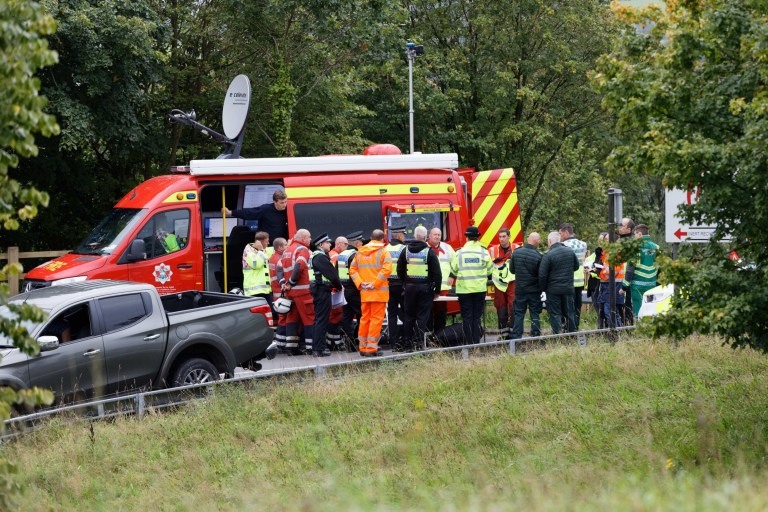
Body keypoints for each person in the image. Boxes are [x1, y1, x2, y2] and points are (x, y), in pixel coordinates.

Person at [397, 225, 442, 352]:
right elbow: (437, 273)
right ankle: (419, 343)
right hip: (425, 289)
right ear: (425, 237)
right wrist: (437, 290)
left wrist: (404, 283)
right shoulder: (429, 252)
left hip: (409, 288)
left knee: (409, 316)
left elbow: (399, 269)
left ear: (415, 236)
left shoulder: (405, 251)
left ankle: (407, 344)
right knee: (422, 317)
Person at [349, 229, 392, 357]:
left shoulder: (360, 252)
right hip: (378, 293)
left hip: (365, 293)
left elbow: (353, 270)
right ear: (382, 239)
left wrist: (361, 283)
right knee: (376, 320)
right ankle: (371, 349)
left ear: (370, 238)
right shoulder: (384, 252)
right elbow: (387, 270)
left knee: (364, 319)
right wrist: (375, 284)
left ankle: (362, 347)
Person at [451, 226, 493, 344]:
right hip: (479, 290)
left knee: (467, 318)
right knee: (476, 318)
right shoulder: (484, 252)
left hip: (464, 291)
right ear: (478, 237)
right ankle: (476, 343)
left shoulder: (459, 252)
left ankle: (469, 344)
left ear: (467, 238)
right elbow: (490, 270)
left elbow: (453, 270)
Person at [280, 228, 314, 354]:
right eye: (309, 237)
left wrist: (285, 284)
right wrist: (292, 282)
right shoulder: (302, 249)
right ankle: (311, 347)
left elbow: (280, 268)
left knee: (292, 318)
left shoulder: (287, 250)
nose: (310, 239)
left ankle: (291, 347)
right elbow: (300, 265)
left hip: (290, 293)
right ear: (304, 238)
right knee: (309, 318)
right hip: (303, 291)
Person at [309, 233, 343, 357]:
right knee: (322, 320)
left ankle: (317, 347)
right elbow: (332, 274)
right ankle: (319, 349)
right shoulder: (320, 257)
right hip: (322, 290)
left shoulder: (315, 256)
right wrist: (339, 286)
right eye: (328, 242)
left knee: (319, 319)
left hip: (319, 290)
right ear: (321, 244)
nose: (330, 244)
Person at [539, 231, 580, 334]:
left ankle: (557, 335)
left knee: (555, 313)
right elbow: (576, 266)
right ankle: (572, 333)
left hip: (553, 290)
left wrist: (543, 289)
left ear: (549, 241)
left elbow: (542, 275)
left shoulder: (548, 255)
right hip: (568, 288)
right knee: (570, 312)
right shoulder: (570, 251)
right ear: (559, 240)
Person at [509, 232, 543, 339]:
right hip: (534, 290)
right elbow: (541, 274)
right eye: (539, 240)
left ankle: (517, 336)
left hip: (520, 289)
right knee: (535, 313)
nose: (540, 242)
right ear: (536, 241)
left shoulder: (516, 252)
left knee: (519, 313)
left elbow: (512, 270)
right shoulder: (538, 256)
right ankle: (536, 335)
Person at [222, 189, 289, 242]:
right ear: (275, 201)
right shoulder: (265, 209)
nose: (284, 205)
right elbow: (249, 213)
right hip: (264, 243)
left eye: (286, 202)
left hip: (279, 244)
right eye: (282, 203)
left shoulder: (287, 210)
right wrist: (231, 213)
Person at [624, 224, 659, 318]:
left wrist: (624, 286)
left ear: (639, 234)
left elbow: (630, 269)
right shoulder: (656, 247)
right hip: (652, 284)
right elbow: (660, 266)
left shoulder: (634, 248)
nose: (634, 237)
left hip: (637, 285)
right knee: (650, 310)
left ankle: (640, 330)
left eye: (635, 234)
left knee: (639, 310)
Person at [488, 227, 517, 339]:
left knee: (513, 306)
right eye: (500, 237)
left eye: (504, 236)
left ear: (509, 237)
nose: (502, 239)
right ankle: (503, 334)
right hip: (499, 284)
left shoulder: (516, 248)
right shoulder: (492, 250)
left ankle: (514, 333)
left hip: (512, 282)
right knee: (501, 308)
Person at [337, 231, 364, 349]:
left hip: (344, 290)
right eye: (361, 242)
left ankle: (349, 343)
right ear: (357, 242)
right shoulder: (356, 255)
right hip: (355, 290)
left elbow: (336, 272)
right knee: (362, 315)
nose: (362, 244)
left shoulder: (342, 255)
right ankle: (359, 340)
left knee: (347, 317)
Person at [558, 223, 588, 329]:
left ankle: (569, 326)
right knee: (577, 305)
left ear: (566, 232)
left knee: (568, 306)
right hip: (580, 281)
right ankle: (576, 325)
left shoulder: (564, 246)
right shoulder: (583, 244)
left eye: (561, 233)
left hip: (568, 280)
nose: (560, 236)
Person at [427, 227, 455, 333]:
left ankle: (440, 335)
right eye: (435, 234)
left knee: (441, 312)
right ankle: (428, 336)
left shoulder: (447, 248)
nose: (437, 237)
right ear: (429, 236)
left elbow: (455, 263)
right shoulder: (425, 247)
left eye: (439, 235)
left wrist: (452, 275)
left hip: (443, 287)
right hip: (428, 287)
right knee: (428, 312)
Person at [385, 225, 407, 348]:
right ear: (399, 235)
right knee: (405, 312)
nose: (404, 237)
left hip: (388, 285)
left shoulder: (385, 249)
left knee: (391, 314)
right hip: (401, 285)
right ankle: (404, 338)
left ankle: (393, 341)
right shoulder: (404, 248)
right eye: (403, 234)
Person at [584, 233, 608, 326]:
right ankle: (601, 329)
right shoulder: (597, 252)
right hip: (594, 285)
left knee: (603, 311)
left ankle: (603, 329)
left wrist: (594, 271)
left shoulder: (607, 254)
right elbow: (590, 261)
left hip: (602, 284)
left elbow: (603, 269)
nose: (601, 242)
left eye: (603, 240)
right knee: (599, 311)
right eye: (600, 240)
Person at [242, 231, 272, 306]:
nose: (268, 243)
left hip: (264, 290)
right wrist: (261, 251)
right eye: (266, 241)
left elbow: (276, 248)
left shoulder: (263, 250)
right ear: (260, 242)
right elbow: (256, 265)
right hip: (254, 291)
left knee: (272, 313)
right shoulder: (249, 251)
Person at [269, 237, 288, 349]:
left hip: (276, 292)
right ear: (280, 247)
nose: (287, 246)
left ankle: (280, 342)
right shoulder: (279, 259)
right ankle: (281, 344)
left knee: (282, 317)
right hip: (281, 292)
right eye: (286, 245)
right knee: (284, 318)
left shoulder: (273, 258)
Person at [617, 217, 635, 325]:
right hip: (618, 278)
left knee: (627, 306)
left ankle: (628, 328)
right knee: (620, 307)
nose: (619, 227)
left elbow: (630, 265)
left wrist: (626, 283)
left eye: (621, 225)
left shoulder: (631, 242)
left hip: (627, 279)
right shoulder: (619, 240)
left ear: (629, 229)